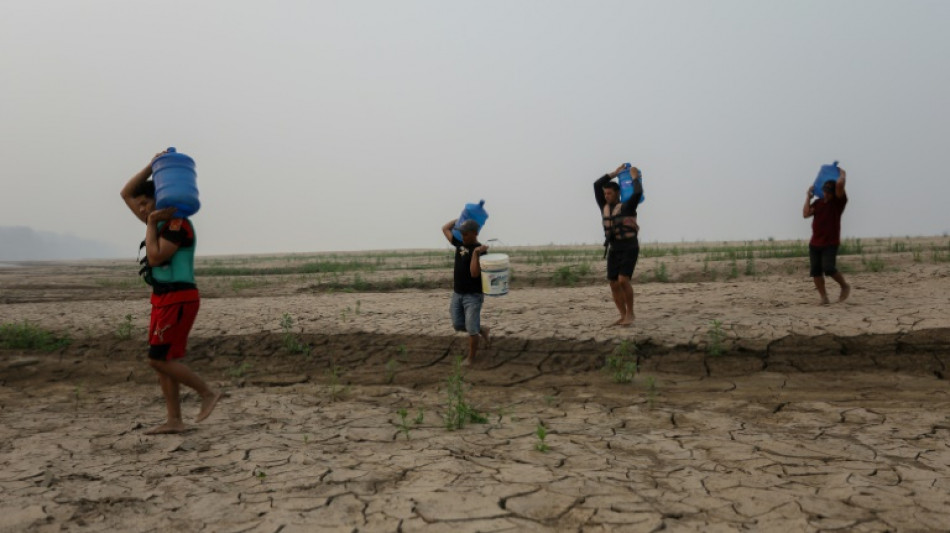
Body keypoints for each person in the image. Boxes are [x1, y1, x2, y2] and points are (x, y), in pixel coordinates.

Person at [120, 151, 221, 434]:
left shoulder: (176, 224)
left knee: (157, 358)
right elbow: (126, 193)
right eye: (140, 205)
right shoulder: (158, 223)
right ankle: (174, 420)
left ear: (160, 198)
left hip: (179, 298)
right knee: (164, 362)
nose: (142, 209)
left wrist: (152, 222)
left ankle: (208, 393)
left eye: (146, 203)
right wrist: (152, 165)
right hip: (162, 299)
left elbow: (155, 258)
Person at [594, 164, 643, 326]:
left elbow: (637, 193)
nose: (606, 196)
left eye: (609, 193)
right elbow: (596, 184)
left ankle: (631, 313)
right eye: (605, 193)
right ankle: (622, 315)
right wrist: (614, 173)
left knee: (623, 280)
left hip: (630, 247)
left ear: (618, 193)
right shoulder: (604, 207)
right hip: (614, 248)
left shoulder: (628, 206)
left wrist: (634, 177)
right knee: (613, 283)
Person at [441, 218, 491, 365]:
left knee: (471, 328)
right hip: (457, 293)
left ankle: (471, 358)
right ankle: (482, 329)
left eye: (466, 234)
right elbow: (445, 228)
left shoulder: (481, 251)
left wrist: (475, 254)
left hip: (473, 296)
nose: (463, 236)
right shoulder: (459, 243)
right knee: (457, 324)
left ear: (475, 233)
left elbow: (474, 273)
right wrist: (461, 218)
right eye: (461, 233)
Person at [803, 167, 851, 305]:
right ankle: (824, 297)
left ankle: (844, 286)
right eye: (825, 191)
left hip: (830, 242)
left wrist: (842, 174)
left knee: (829, 268)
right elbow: (805, 214)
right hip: (815, 243)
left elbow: (840, 185)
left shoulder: (838, 203)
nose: (826, 194)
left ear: (834, 193)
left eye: (829, 192)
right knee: (816, 272)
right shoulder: (818, 203)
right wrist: (808, 197)